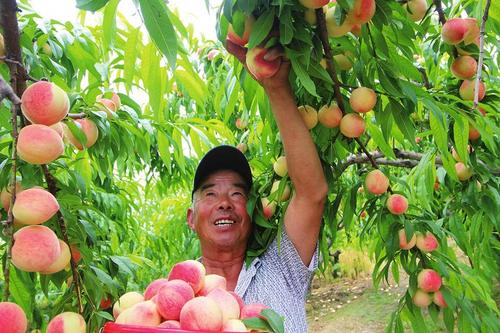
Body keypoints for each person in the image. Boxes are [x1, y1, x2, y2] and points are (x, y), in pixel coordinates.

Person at [186, 39, 328, 333]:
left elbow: (312, 194)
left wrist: (276, 88)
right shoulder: (179, 296)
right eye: (210, 193)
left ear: (252, 211)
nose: (224, 202)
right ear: (191, 218)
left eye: (237, 193)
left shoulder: (282, 267)